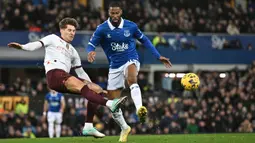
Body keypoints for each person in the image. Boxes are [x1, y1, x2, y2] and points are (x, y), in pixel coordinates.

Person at [7, 17, 127, 138]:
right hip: (54, 75)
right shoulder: (53, 38)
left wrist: (94, 88)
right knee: (84, 86)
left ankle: (88, 126)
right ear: (62, 30)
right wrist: (22, 47)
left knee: (96, 89)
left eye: (74, 31)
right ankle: (110, 104)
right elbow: (36, 44)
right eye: (69, 30)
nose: (72, 33)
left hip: (64, 78)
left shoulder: (73, 51)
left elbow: (81, 72)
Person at [86, 2, 172, 142]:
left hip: (130, 59)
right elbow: (91, 44)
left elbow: (145, 40)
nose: (114, 16)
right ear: (108, 12)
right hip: (114, 66)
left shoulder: (131, 26)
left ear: (121, 12)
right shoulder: (102, 29)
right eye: (112, 13)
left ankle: (140, 109)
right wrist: (90, 52)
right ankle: (125, 128)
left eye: (117, 13)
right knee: (113, 104)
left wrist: (158, 56)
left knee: (131, 78)